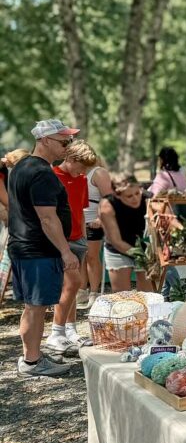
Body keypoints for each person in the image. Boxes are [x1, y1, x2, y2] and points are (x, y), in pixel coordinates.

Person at [6, 119, 79, 377]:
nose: (68, 146)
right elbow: (47, 218)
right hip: (37, 250)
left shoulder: (22, 166)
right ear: (45, 140)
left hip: (25, 247)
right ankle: (32, 362)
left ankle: (32, 356)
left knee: (33, 307)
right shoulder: (41, 172)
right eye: (64, 141)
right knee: (36, 307)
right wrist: (65, 251)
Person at [46, 140, 96, 355]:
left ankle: (70, 330)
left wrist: (83, 238)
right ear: (70, 158)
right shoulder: (52, 176)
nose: (83, 172)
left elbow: (80, 211)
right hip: (61, 240)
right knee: (71, 283)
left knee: (72, 288)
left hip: (78, 239)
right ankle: (56, 332)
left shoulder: (81, 179)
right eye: (81, 166)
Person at [99, 175, 153, 292]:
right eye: (129, 196)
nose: (135, 198)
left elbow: (165, 215)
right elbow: (116, 241)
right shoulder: (107, 206)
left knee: (148, 295)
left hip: (141, 246)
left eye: (137, 193)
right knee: (123, 297)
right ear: (117, 195)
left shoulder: (147, 198)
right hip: (117, 249)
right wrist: (140, 256)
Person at [78, 146, 114, 310]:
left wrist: (101, 218)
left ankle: (94, 292)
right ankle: (81, 290)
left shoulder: (98, 172)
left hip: (93, 220)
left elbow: (109, 198)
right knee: (80, 257)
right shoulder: (77, 172)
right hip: (78, 221)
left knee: (91, 257)